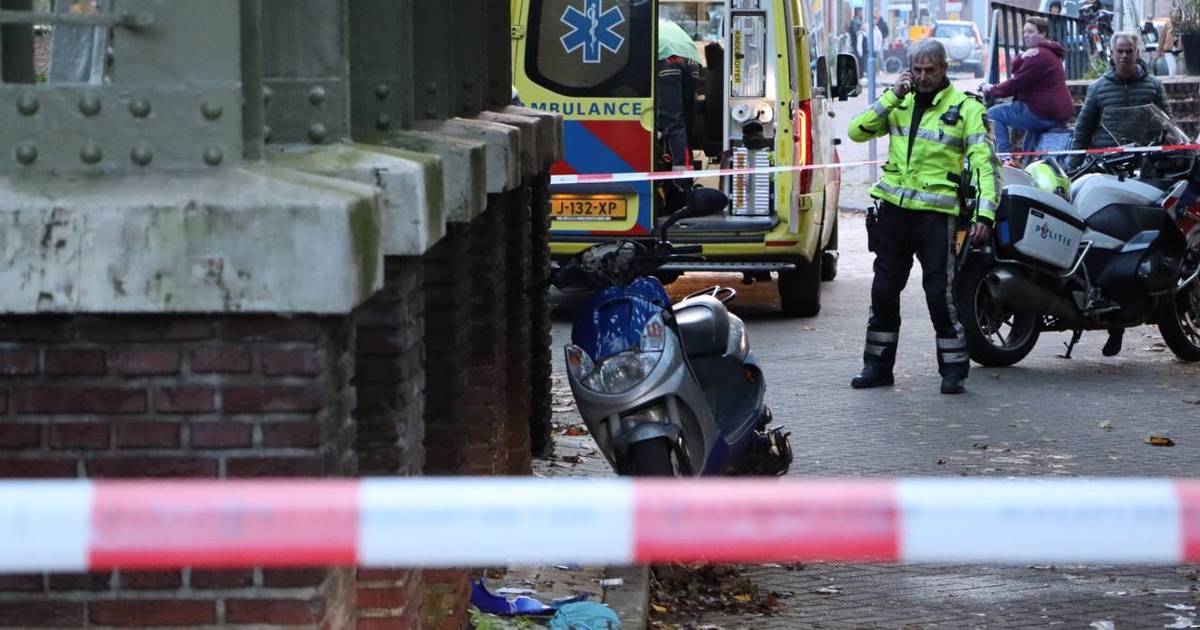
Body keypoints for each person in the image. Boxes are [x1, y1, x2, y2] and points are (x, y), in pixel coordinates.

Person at [847, 39, 1000, 395]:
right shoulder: (898, 101)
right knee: (883, 291)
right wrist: (891, 97)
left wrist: (985, 215)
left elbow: (986, 165)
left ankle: (953, 369)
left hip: (936, 215)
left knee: (938, 292)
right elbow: (857, 131)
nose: (923, 76)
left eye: (930, 70)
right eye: (916, 70)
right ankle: (877, 366)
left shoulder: (965, 109)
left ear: (945, 69)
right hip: (895, 212)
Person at [1069, 31, 1170, 357]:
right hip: (1106, 171)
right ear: (1111, 54)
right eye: (1120, 51)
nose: (1125, 56)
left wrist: (1172, 153)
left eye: (1130, 51)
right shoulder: (1099, 89)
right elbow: (1082, 130)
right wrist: (1075, 166)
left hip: (1145, 169)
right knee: (1108, 246)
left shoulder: (1153, 85)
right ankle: (1113, 322)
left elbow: (1168, 125)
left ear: (1138, 52)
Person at [980, 17, 1074, 164]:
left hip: (1042, 111)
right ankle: (1027, 167)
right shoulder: (1047, 52)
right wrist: (1023, 55)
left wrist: (991, 88)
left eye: (1031, 31)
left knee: (993, 114)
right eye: (1024, 32)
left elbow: (1017, 83)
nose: (1026, 35)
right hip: (1056, 113)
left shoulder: (1039, 56)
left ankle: (1004, 158)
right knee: (1029, 147)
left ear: (1042, 34)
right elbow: (1018, 69)